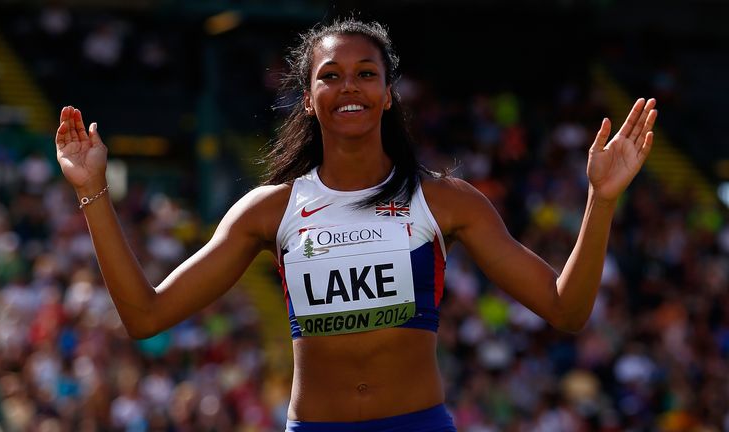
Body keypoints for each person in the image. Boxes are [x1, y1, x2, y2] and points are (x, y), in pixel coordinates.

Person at [55, 18, 657, 432]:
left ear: (389, 94)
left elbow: (566, 309)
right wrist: (94, 193)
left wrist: (600, 200)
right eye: (331, 75)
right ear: (308, 95)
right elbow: (146, 316)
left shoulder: (445, 202)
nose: (350, 87)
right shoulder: (269, 211)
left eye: (367, 74)